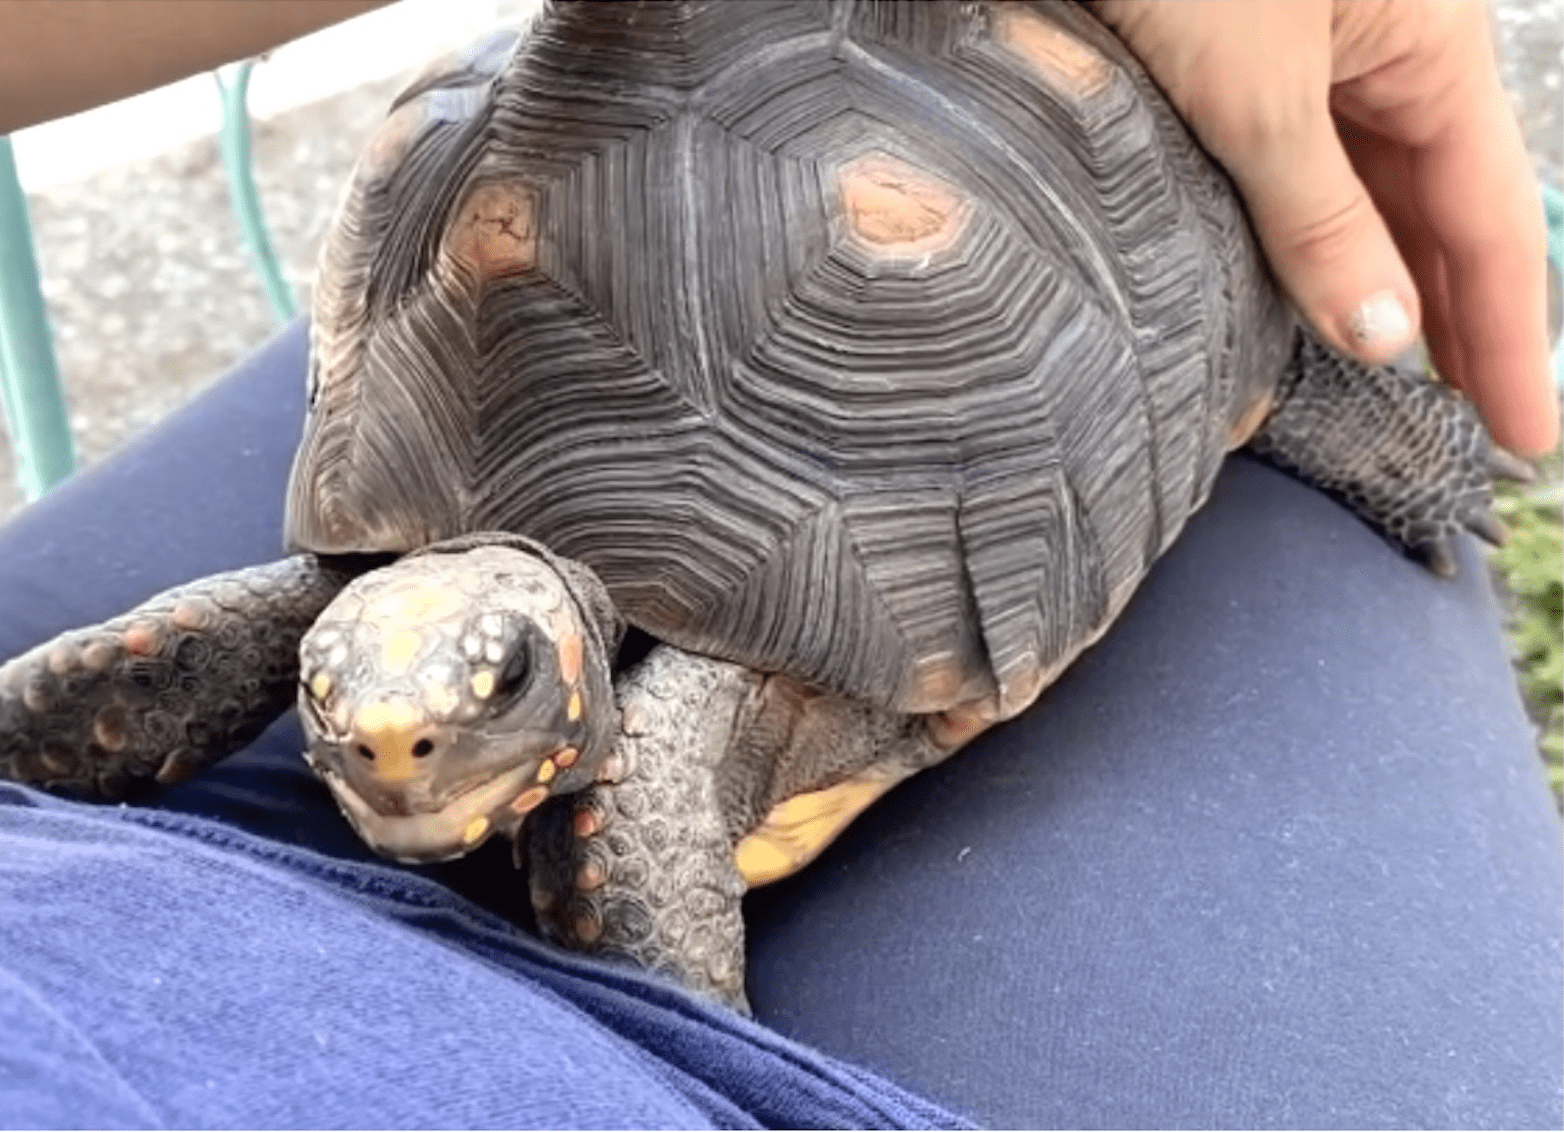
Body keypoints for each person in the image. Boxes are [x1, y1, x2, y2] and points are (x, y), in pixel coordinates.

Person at [0, 2, 1559, 1127]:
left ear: (547, 651)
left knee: (1381, 438)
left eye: (488, 693)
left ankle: (1306, 372)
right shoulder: (447, 686)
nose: (398, 754)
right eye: (346, 722)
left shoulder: (618, 733)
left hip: (913, 277)